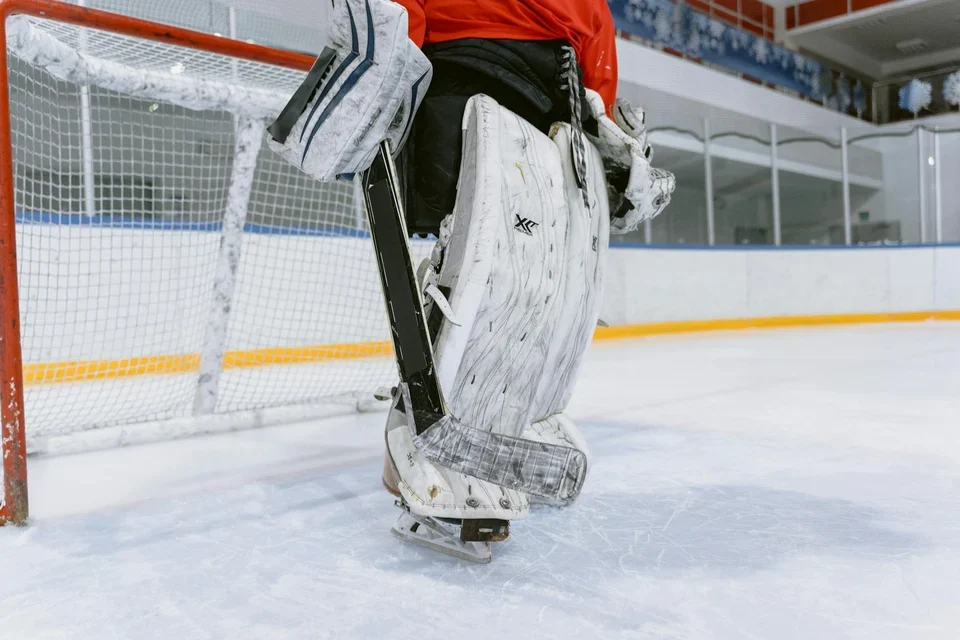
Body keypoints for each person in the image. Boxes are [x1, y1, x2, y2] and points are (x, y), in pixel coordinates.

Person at [268, 0, 674, 563]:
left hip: (497, 95)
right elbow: (596, 46)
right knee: (492, 275)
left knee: (523, 284)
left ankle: (490, 425)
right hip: (511, 96)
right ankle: (423, 436)